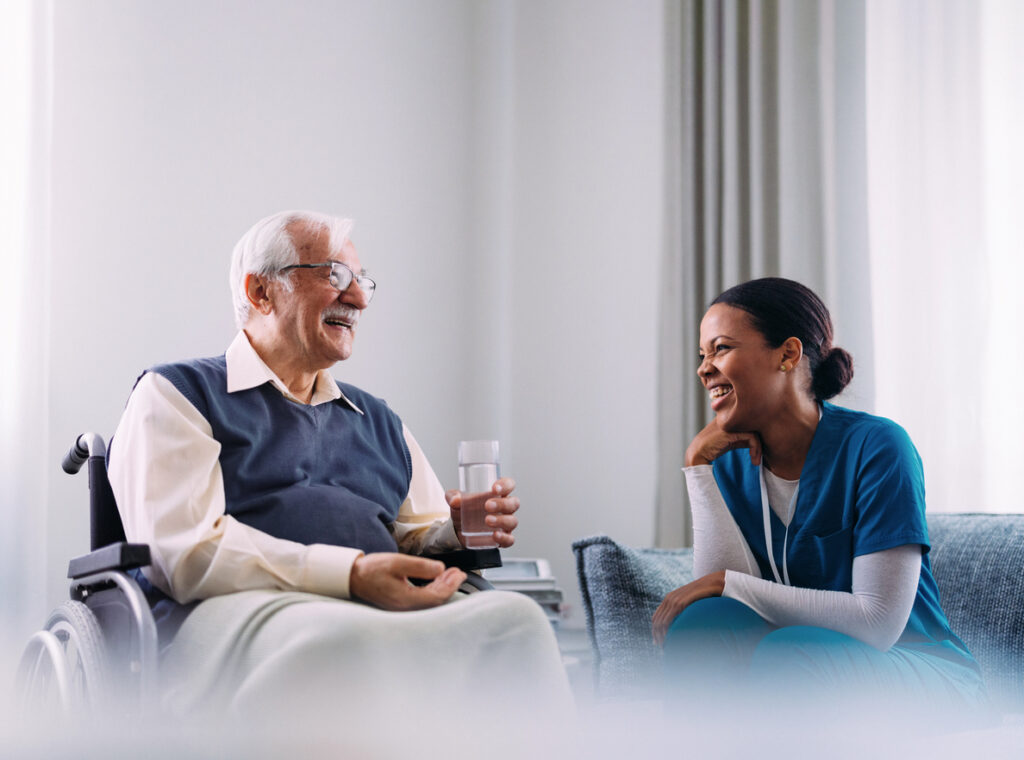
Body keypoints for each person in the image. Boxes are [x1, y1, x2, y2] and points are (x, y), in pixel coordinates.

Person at [107, 210, 570, 728]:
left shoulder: (380, 420)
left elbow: (415, 538)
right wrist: (349, 575)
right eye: (335, 276)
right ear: (261, 292)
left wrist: (455, 531)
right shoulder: (177, 395)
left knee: (518, 622)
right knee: (343, 642)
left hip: (380, 611)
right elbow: (187, 553)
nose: (359, 298)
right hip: (235, 612)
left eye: (362, 281)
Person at [651, 277, 990, 728]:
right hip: (797, 661)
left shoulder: (878, 446)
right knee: (704, 624)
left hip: (915, 670)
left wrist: (728, 583)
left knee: (789, 652)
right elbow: (727, 606)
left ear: (788, 355)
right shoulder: (729, 466)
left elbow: (877, 623)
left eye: (721, 348)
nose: (704, 368)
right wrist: (697, 467)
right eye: (703, 355)